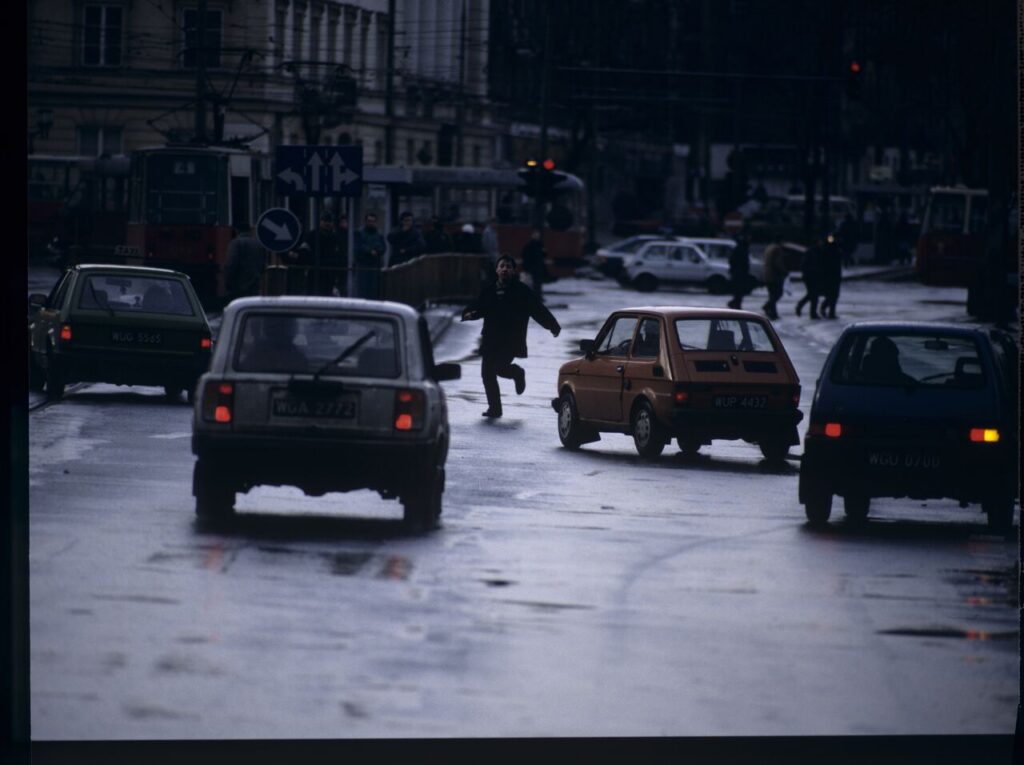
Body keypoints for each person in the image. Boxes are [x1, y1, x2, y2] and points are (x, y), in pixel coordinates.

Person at [461, 254, 561, 419]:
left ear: (514, 270)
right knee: (487, 374)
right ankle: (495, 408)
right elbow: (480, 307)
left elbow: (538, 310)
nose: (505, 269)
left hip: (510, 340)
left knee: (499, 368)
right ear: (496, 270)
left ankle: (516, 373)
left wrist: (553, 326)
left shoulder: (522, 291)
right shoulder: (489, 290)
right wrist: (469, 313)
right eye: (502, 266)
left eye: (508, 266)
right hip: (491, 338)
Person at [224, 223, 267, 303]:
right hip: (255, 286)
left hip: (238, 287)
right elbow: (263, 265)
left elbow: (231, 264)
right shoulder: (258, 244)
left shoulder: (236, 243)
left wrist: (228, 282)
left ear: (237, 230)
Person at [304, 211, 345, 296]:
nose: (327, 224)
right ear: (320, 222)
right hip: (314, 271)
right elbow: (306, 251)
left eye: (329, 221)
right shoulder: (312, 235)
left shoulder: (335, 238)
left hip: (329, 273)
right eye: (325, 221)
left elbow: (339, 255)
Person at [354, 212, 387, 299]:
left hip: (375, 264)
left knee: (374, 289)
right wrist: (369, 251)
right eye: (369, 221)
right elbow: (358, 247)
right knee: (363, 287)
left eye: (373, 221)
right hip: (363, 264)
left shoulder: (379, 234)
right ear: (365, 221)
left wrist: (377, 251)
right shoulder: (359, 233)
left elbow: (383, 248)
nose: (371, 223)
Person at [794, 238, 824, 319]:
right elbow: (805, 265)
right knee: (813, 294)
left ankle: (806, 309)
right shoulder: (810, 252)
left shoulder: (817, 251)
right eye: (819, 242)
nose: (820, 244)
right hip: (810, 277)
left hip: (814, 276)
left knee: (812, 294)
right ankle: (810, 311)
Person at [761, 237, 787, 320]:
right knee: (778, 293)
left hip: (767, 275)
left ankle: (773, 313)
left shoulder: (769, 248)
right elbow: (777, 262)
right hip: (775, 276)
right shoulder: (777, 249)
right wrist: (783, 271)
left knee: (772, 294)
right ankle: (767, 306)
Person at [818, 234, 843, 319]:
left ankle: (831, 312)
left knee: (834, 295)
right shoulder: (826, 249)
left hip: (835, 275)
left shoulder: (837, 249)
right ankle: (825, 308)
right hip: (828, 275)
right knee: (830, 294)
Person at [520, 229, 548, 301]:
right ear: (532, 235)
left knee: (538, 283)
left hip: (538, 268)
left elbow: (544, 256)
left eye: (537, 235)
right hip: (532, 268)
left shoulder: (540, 245)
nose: (536, 236)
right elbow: (526, 257)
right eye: (535, 235)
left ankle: (538, 296)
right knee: (531, 283)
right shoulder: (529, 245)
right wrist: (526, 267)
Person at [727, 233, 751, 309]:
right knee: (739, 292)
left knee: (739, 292)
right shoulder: (741, 250)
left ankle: (735, 303)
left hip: (739, 274)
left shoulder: (740, 249)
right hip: (739, 274)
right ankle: (735, 304)